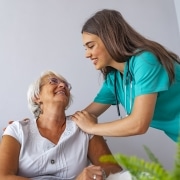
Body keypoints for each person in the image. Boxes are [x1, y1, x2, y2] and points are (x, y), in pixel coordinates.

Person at [72, 9, 180, 142]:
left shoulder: (145, 60)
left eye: (91, 46)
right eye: (86, 48)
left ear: (109, 39)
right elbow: (86, 115)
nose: (87, 54)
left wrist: (92, 128)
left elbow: (139, 124)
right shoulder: (115, 79)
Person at [0, 70, 122, 180]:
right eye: (53, 81)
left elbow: (114, 169)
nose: (63, 85)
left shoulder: (84, 126)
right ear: (36, 97)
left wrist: (96, 174)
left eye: (67, 85)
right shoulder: (17, 129)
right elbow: (3, 176)